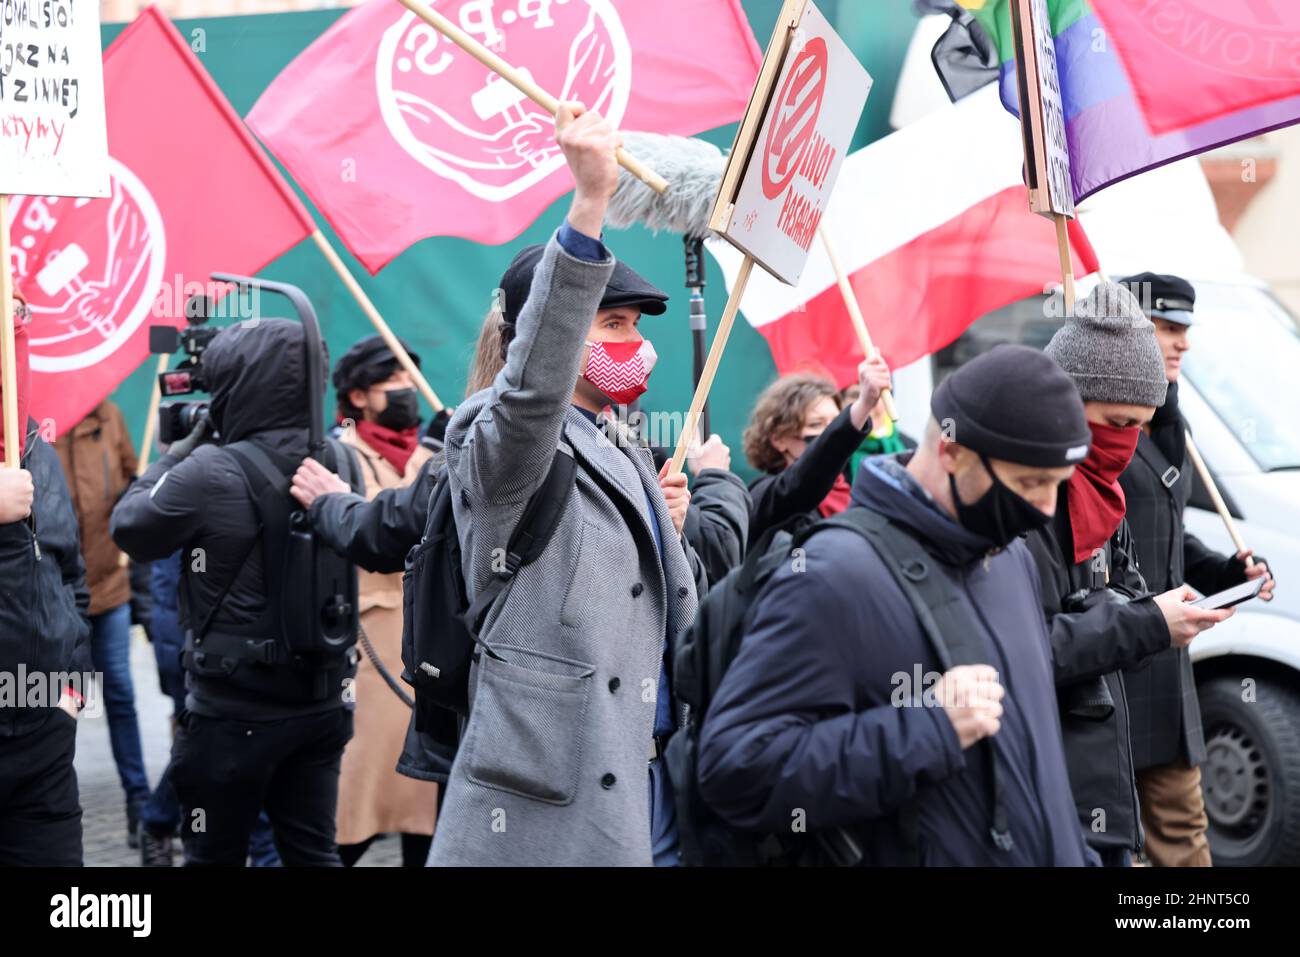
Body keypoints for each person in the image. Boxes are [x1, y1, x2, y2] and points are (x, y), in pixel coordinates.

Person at [427, 101, 705, 867]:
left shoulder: (623, 445)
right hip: (545, 790)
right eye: (612, 323)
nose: (635, 342)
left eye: (637, 326)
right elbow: (531, 392)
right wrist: (588, 203)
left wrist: (669, 531)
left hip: (641, 772)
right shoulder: (496, 431)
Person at [696, 346, 1095, 866]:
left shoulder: (1013, 558)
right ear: (951, 451)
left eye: (1057, 487)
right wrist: (926, 730)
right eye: (1028, 483)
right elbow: (735, 768)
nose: (1044, 509)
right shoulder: (833, 574)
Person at [111, 318, 359, 866]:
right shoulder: (340, 459)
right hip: (321, 701)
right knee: (314, 853)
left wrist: (176, 454)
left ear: (234, 383)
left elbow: (130, 526)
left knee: (212, 856)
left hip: (234, 711)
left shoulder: (207, 471)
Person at [1027, 282, 1235, 867]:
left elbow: (1133, 591)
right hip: (1051, 779)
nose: (1126, 443)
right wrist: (1139, 621)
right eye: (1117, 422)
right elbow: (1026, 647)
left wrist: (1151, 615)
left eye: (1139, 426)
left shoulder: (1104, 490)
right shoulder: (1022, 505)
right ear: (1068, 403)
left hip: (1107, 752)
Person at [1116, 272, 1275, 867]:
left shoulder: (1170, 424)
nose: (1182, 342)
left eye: (1186, 329)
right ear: (1128, 332)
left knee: (1184, 843)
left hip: (1167, 678)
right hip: (1112, 673)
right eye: (1167, 328)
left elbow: (1168, 537)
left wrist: (1228, 570)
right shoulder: (1097, 430)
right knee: (1117, 847)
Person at [328, 335, 438, 868]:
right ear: (355, 397)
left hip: (427, 655)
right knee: (353, 809)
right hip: (366, 656)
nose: (402, 392)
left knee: (427, 810)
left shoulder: (433, 456)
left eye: (405, 380)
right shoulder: (336, 456)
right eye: (388, 382)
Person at [0, 290, 92, 866]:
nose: (17, 326)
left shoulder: (31, 441)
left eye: (19, 313)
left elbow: (67, 575)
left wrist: (73, 691)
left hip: (42, 741)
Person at [53, 400, 150, 847]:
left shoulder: (111, 415)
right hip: (54, 596)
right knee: (58, 704)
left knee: (121, 694)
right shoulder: (33, 426)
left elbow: (133, 479)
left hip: (110, 588)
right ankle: (53, 807)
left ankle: (139, 803)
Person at [743, 359, 891, 543]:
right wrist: (863, 404)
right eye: (816, 424)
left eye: (835, 421)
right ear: (779, 439)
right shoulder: (765, 495)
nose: (828, 432)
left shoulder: (851, 489)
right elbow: (806, 478)